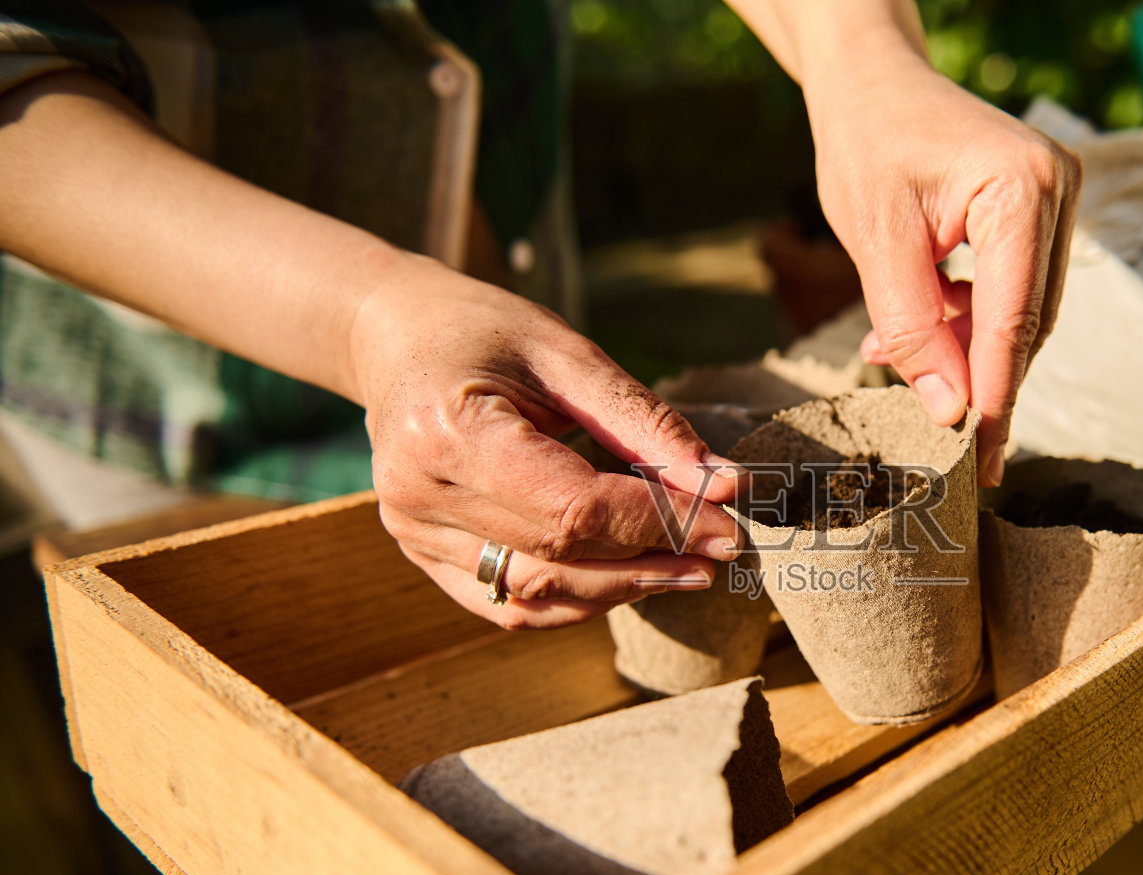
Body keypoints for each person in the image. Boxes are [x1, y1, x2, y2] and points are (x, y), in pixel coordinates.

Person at [0, 0, 1080, 629]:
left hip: (501, 312)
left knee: (589, 575)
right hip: (170, 382)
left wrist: (863, 63)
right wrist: (363, 313)